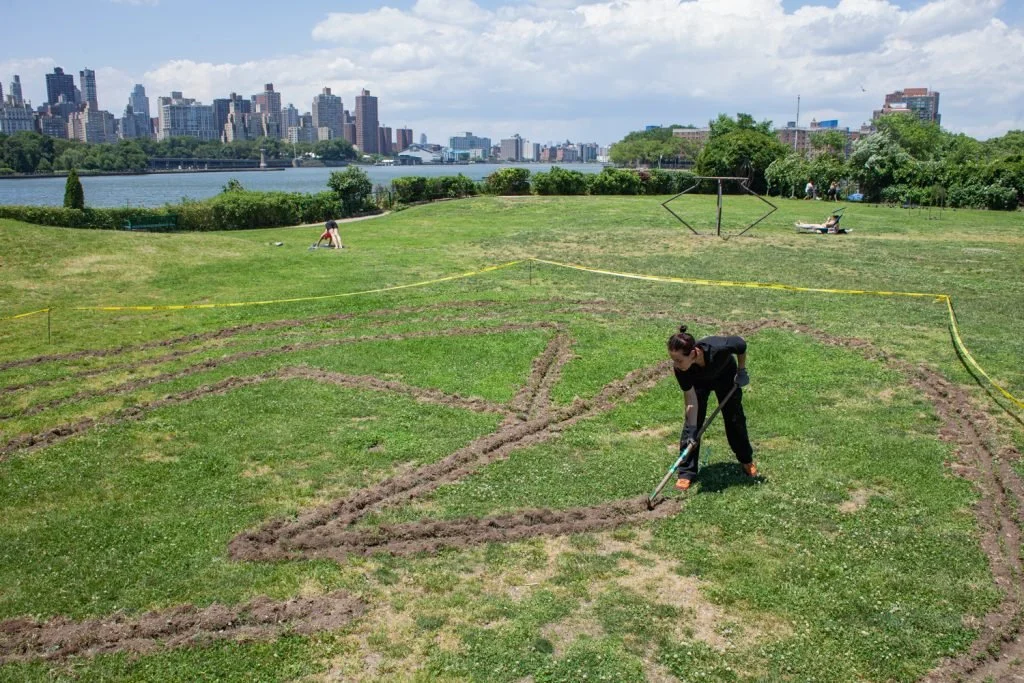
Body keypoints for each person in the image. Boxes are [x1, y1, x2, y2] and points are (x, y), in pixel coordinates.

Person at [667, 325, 757, 491]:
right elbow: (691, 401)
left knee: (734, 418)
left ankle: (746, 460)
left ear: (693, 353)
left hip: (725, 376)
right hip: (699, 383)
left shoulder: (718, 347)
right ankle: (686, 472)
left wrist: (741, 370)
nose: (676, 364)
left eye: (679, 360)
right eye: (673, 359)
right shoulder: (681, 370)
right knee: (691, 426)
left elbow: (741, 345)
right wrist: (693, 429)